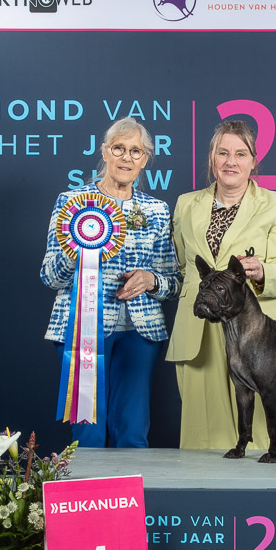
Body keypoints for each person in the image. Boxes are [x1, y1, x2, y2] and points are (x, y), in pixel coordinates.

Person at [41, 117, 181, 448]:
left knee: (133, 432)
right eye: (119, 148)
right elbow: (50, 276)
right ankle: (88, 484)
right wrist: (77, 250)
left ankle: (131, 485)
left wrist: (151, 280)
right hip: (82, 330)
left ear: (145, 159)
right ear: (104, 152)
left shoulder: (157, 210)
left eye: (136, 151)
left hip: (141, 332)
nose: (126, 157)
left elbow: (174, 281)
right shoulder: (71, 202)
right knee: (87, 432)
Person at [166, 120, 276, 451]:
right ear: (211, 158)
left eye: (240, 154)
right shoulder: (185, 204)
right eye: (222, 153)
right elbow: (181, 267)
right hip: (198, 330)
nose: (231, 162)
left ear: (254, 161)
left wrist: (262, 271)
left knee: (259, 436)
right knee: (201, 435)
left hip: (253, 332)